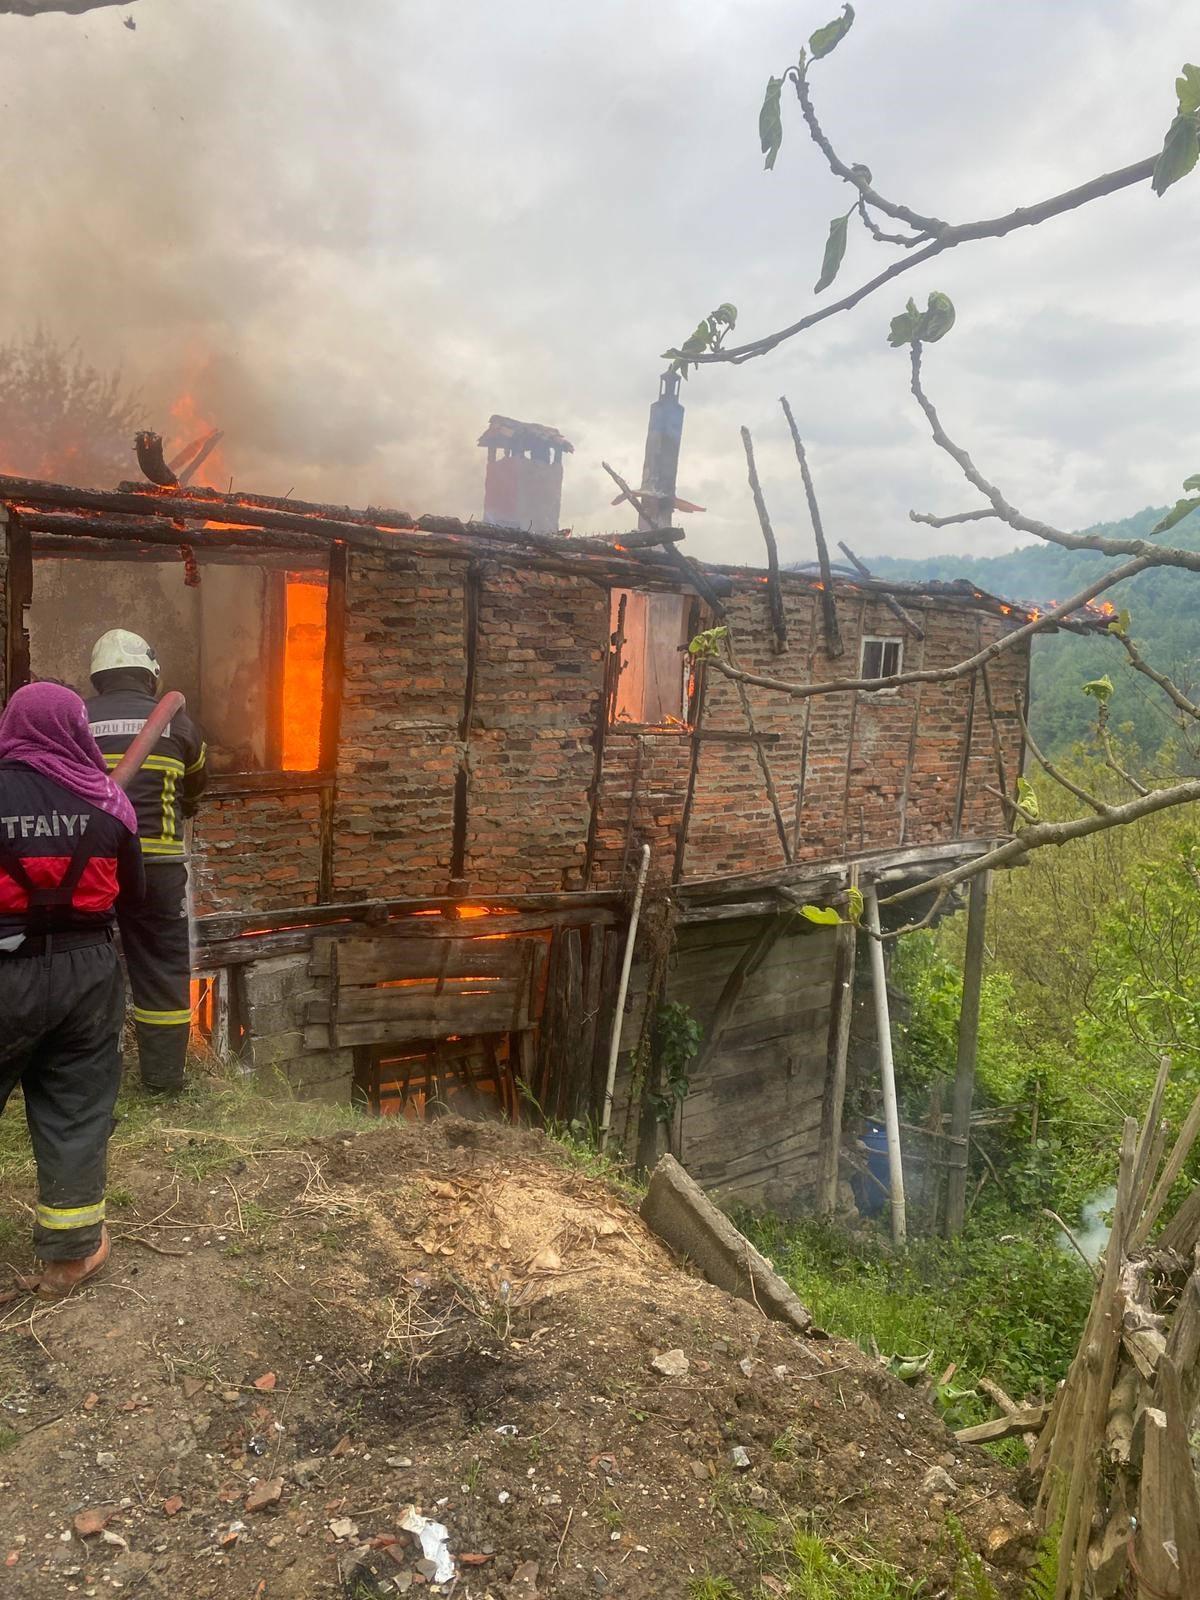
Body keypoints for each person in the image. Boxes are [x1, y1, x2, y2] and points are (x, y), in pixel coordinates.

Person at [0, 682, 144, 1297]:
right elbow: (132, 897)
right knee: (77, 1112)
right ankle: (70, 1256)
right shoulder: (109, 801)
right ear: (76, 729)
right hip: (88, 971)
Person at [86, 630, 207, 1094]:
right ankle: (163, 1081)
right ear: (149, 675)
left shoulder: (78, 717)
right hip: (156, 869)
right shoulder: (180, 723)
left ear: (98, 677)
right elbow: (195, 787)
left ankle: (90, 1077)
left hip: (96, 865)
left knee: (89, 965)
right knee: (161, 966)